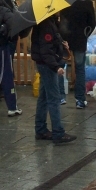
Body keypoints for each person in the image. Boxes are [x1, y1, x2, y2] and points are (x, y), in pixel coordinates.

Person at [32, 15, 77, 145]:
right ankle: (58, 132)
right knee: (54, 98)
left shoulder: (49, 23)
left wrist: (62, 45)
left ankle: (40, 129)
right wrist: (55, 67)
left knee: (44, 97)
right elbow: (46, 50)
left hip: (45, 64)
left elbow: (51, 44)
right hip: (47, 66)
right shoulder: (46, 25)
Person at [60, 0, 96, 110]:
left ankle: (60, 97)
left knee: (61, 67)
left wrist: (63, 36)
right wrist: (85, 34)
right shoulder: (87, 3)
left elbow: (62, 23)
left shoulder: (64, 3)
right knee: (80, 70)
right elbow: (92, 23)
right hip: (80, 40)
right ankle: (80, 100)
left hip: (65, 40)